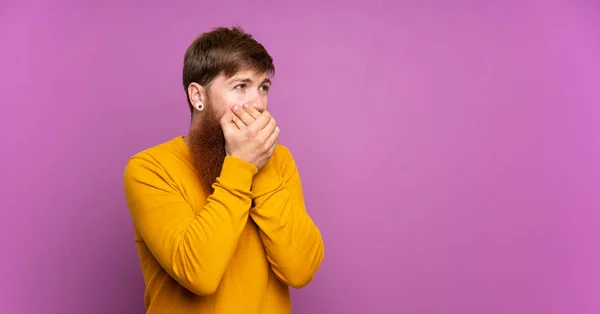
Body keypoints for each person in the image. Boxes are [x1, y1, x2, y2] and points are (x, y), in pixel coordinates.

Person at [123, 26, 325, 314]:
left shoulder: (279, 160)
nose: (257, 104)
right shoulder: (149, 169)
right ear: (197, 96)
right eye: (240, 86)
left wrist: (260, 163)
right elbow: (199, 274)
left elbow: (301, 269)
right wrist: (242, 165)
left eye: (263, 87)